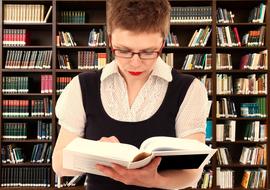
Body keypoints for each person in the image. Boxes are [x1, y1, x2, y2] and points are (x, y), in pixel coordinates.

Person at [52, 0, 209, 189]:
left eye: (148, 52)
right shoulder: (82, 86)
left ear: (162, 42)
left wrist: (155, 181)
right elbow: (59, 165)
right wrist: (94, 153)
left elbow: (192, 173)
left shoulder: (189, 89)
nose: (135, 63)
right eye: (124, 51)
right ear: (110, 40)